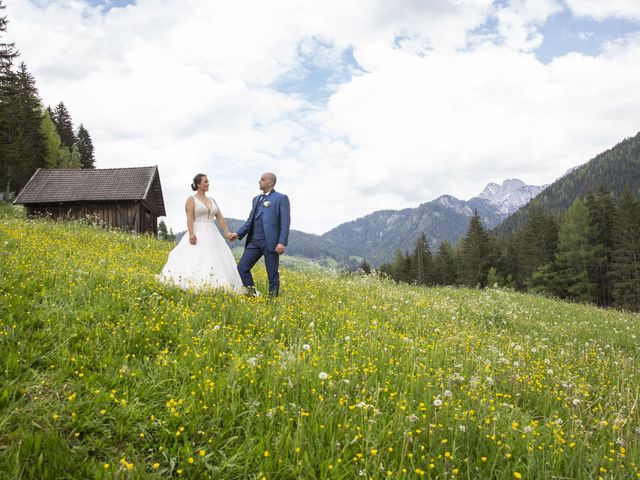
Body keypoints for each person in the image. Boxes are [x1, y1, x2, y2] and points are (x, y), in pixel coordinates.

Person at [158, 173, 244, 292]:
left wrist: (227, 232)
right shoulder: (191, 199)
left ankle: (218, 284)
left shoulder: (212, 200)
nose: (208, 184)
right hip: (198, 230)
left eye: (208, 181)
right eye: (205, 182)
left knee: (216, 257)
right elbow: (189, 217)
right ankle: (195, 281)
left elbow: (219, 217)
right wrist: (191, 233)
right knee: (196, 256)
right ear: (198, 184)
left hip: (212, 232)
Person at [229, 172, 290, 297]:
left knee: (272, 274)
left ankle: (272, 302)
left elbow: (285, 222)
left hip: (271, 243)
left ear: (270, 183)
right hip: (254, 241)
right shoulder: (256, 199)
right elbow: (250, 220)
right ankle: (253, 296)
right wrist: (238, 234)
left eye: (262, 179)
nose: (259, 181)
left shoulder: (281, 198)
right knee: (242, 268)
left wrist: (282, 242)